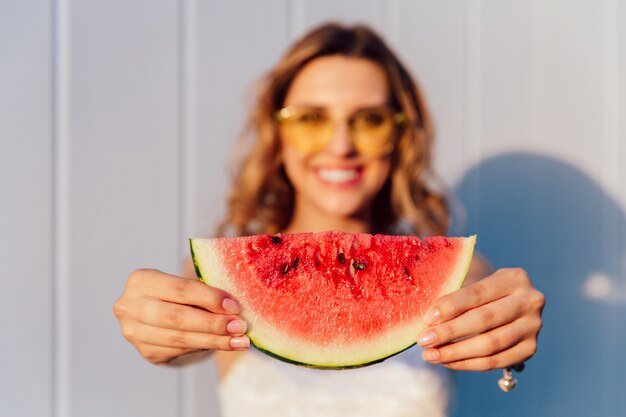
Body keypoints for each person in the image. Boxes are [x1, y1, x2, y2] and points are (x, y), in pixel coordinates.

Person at [113, 23, 545, 416]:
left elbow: (486, 307)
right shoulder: (216, 278)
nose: (340, 145)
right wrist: (158, 336)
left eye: (370, 120)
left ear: (400, 137)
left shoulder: (466, 273)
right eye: (311, 119)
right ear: (277, 136)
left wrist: (509, 340)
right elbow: (186, 337)